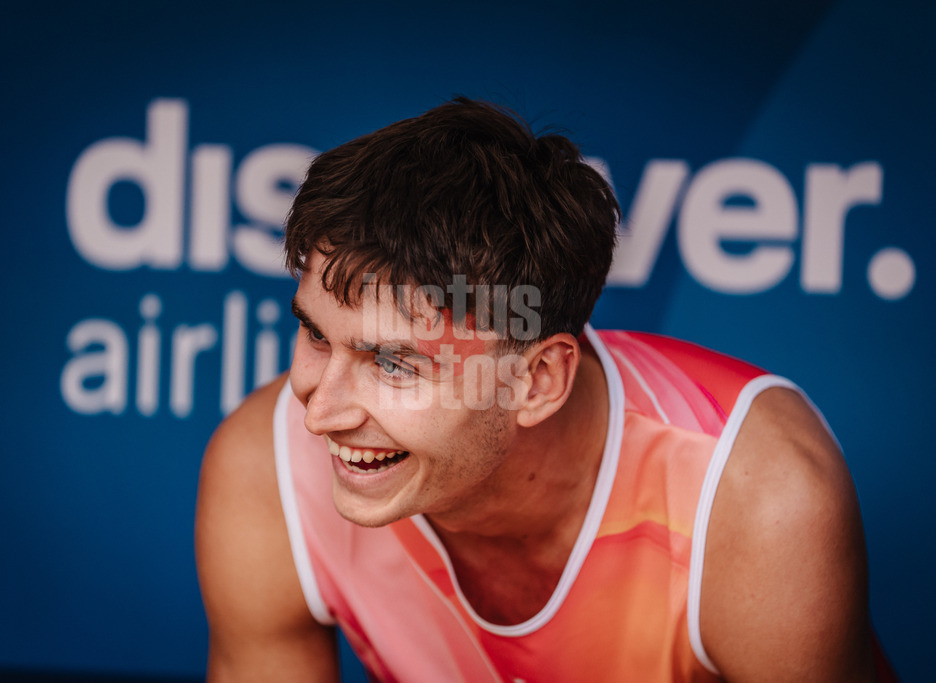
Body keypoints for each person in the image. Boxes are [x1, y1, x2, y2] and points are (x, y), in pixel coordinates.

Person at [195, 97, 893, 681]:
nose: (319, 410)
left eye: (394, 363)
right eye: (318, 335)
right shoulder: (267, 464)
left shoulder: (755, 496)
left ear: (536, 379)